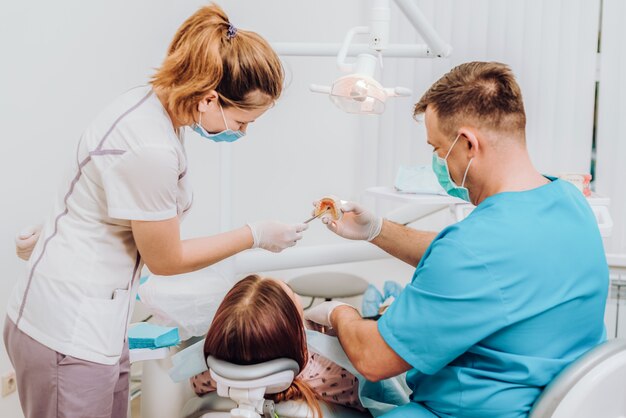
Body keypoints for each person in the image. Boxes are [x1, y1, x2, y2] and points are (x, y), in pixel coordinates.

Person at [4, 4, 308, 418]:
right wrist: (254, 234)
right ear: (209, 100)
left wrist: (65, 227)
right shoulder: (151, 146)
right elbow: (165, 259)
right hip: (68, 331)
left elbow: (101, 193)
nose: (243, 132)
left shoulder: (154, 109)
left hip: (102, 319)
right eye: (242, 120)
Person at [305, 61, 609, 417]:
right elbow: (487, 262)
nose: (438, 162)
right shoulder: (568, 201)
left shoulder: (474, 249)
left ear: (467, 144)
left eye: (437, 149)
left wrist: (340, 313)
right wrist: (377, 230)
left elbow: (373, 357)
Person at [191, 274, 365, 416]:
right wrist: (340, 324)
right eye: (291, 295)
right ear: (294, 329)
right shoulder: (338, 374)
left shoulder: (210, 375)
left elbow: (196, 384)